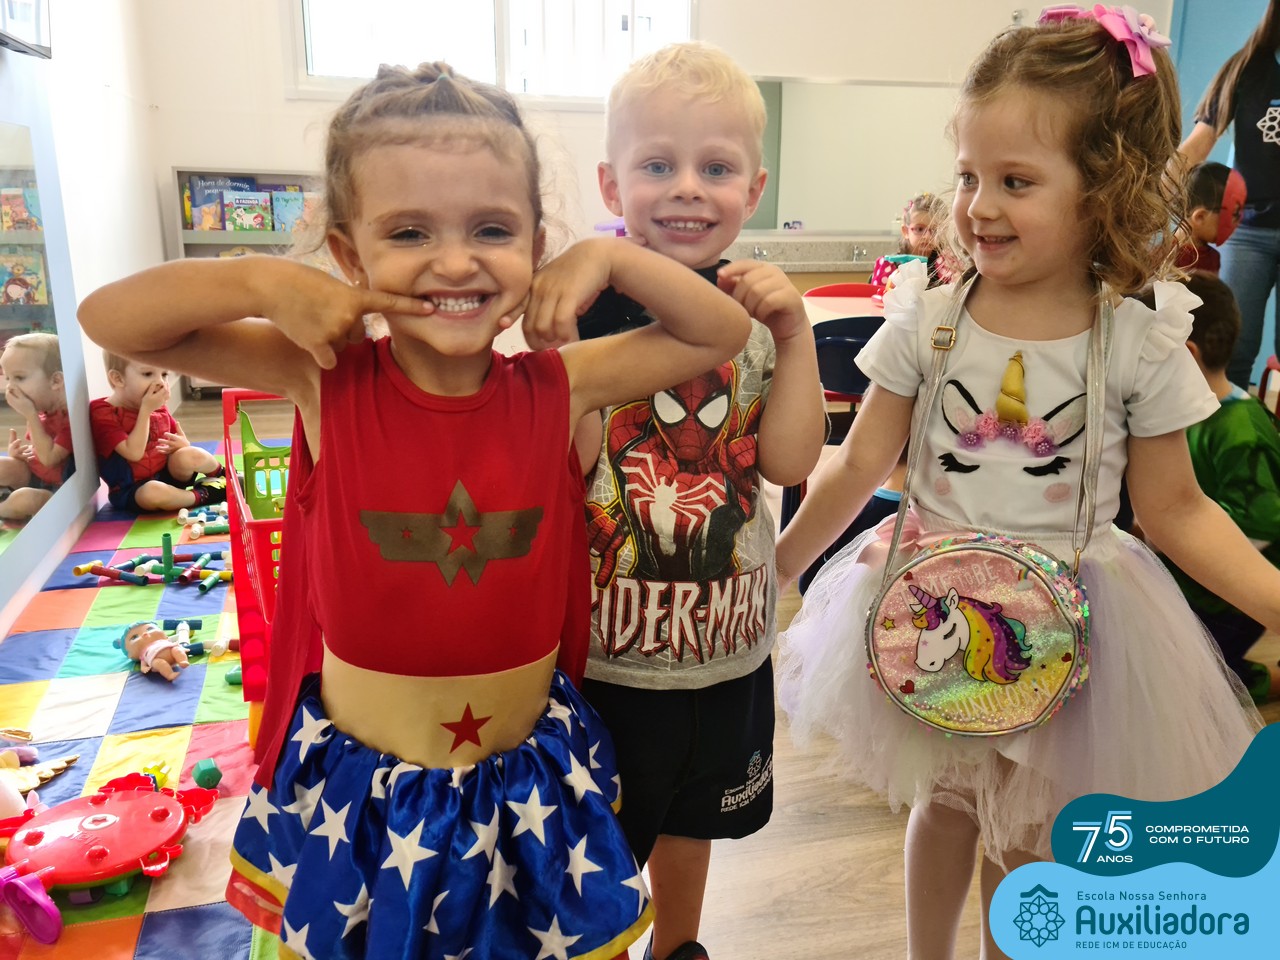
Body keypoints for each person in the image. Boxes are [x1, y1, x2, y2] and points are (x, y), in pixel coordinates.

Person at [77, 62, 752, 960]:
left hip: (524, 786)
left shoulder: (562, 384)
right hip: (371, 799)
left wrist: (610, 255)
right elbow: (111, 320)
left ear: (537, 243)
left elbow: (720, 331)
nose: (456, 260)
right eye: (408, 232)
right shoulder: (323, 378)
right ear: (351, 255)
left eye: (493, 230)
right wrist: (263, 283)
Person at [774, 10, 1276, 960]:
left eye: (1016, 181)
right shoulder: (929, 318)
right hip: (933, 599)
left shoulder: (1139, 338)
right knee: (945, 803)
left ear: (1103, 191)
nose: (978, 206)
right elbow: (858, 462)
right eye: (969, 175)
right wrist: (779, 568)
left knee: (1028, 829)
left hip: (1077, 616)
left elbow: (1177, 510)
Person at [566, 41, 825, 960]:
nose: (686, 189)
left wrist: (794, 335)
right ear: (612, 182)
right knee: (600, 839)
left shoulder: (761, 315)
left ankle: (678, 946)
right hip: (610, 657)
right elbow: (574, 467)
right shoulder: (592, 311)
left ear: (754, 189)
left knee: (694, 820)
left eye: (715, 168)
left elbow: (790, 460)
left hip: (727, 649)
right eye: (657, 166)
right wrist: (562, 347)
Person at [1143, 272, 1280, 704]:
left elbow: (1263, 524)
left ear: (1185, 355)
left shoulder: (1240, 430)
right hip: (1191, 579)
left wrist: (1174, 544)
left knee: (1207, 681)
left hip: (1230, 592)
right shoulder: (1175, 417)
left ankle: (1265, 680)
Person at [1179, 0, 1280, 387]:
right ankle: (1226, 422)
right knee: (1232, 349)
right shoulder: (1247, 68)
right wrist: (1145, 197)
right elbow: (1199, 143)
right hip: (1248, 231)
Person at [89, 352, 227, 512]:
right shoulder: (103, 412)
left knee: (192, 454)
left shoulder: (155, 405)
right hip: (134, 490)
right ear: (118, 379)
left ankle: (227, 477)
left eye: (164, 374)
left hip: (168, 473)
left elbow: (181, 442)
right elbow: (133, 453)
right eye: (148, 374)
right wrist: (146, 411)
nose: (160, 382)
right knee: (153, 493)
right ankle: (204, 495)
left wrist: (182, 445)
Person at [0, 332, 72, 522]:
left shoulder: (71, 418)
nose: (10, 388)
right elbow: (38, 450)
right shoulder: (42, 410)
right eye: (8, 378)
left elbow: (49, 459)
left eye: (19, 378)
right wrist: (19, 455)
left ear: (55, 381)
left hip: (58, 490)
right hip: (35, 475)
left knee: (26, 500)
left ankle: (3, 508)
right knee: (3, 465)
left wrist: (31, 415)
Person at [1172, 161, 1246, 275]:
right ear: (1200, 217)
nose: (1238, 222)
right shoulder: (1165, 256)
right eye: (1234, 214)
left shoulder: (1213, 258)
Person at [870, 192, 949, 288]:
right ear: (905, 231)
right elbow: (875, 295)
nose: (927, 236)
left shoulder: (945, 266)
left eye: (935, 230)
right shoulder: (888, 265)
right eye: (920, 229)